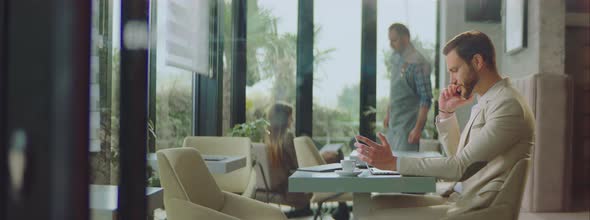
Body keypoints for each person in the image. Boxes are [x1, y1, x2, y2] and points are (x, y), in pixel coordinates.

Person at [355, 30, 535, 219]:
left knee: (371, 217)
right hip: (458, 197)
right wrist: (446, 113)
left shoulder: (507, 105)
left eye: (455, 70)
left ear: (477, 62)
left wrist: (394, 163)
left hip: (478, 209)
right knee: (375, 203)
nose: (452, 81)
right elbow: (461, 158)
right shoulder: (489, 100)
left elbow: (459, 167)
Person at [384, 23, 433, 152]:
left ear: (405, 38)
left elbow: (426, 99)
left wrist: (418, 129)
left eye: (394, 40)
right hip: (393, 125)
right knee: (387, 168)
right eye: (390, 40)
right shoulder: (395, 58)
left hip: (408, 128)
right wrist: (388, 114)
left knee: (403, 168)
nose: (391, 44)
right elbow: (395, 89)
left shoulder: (418, 63)